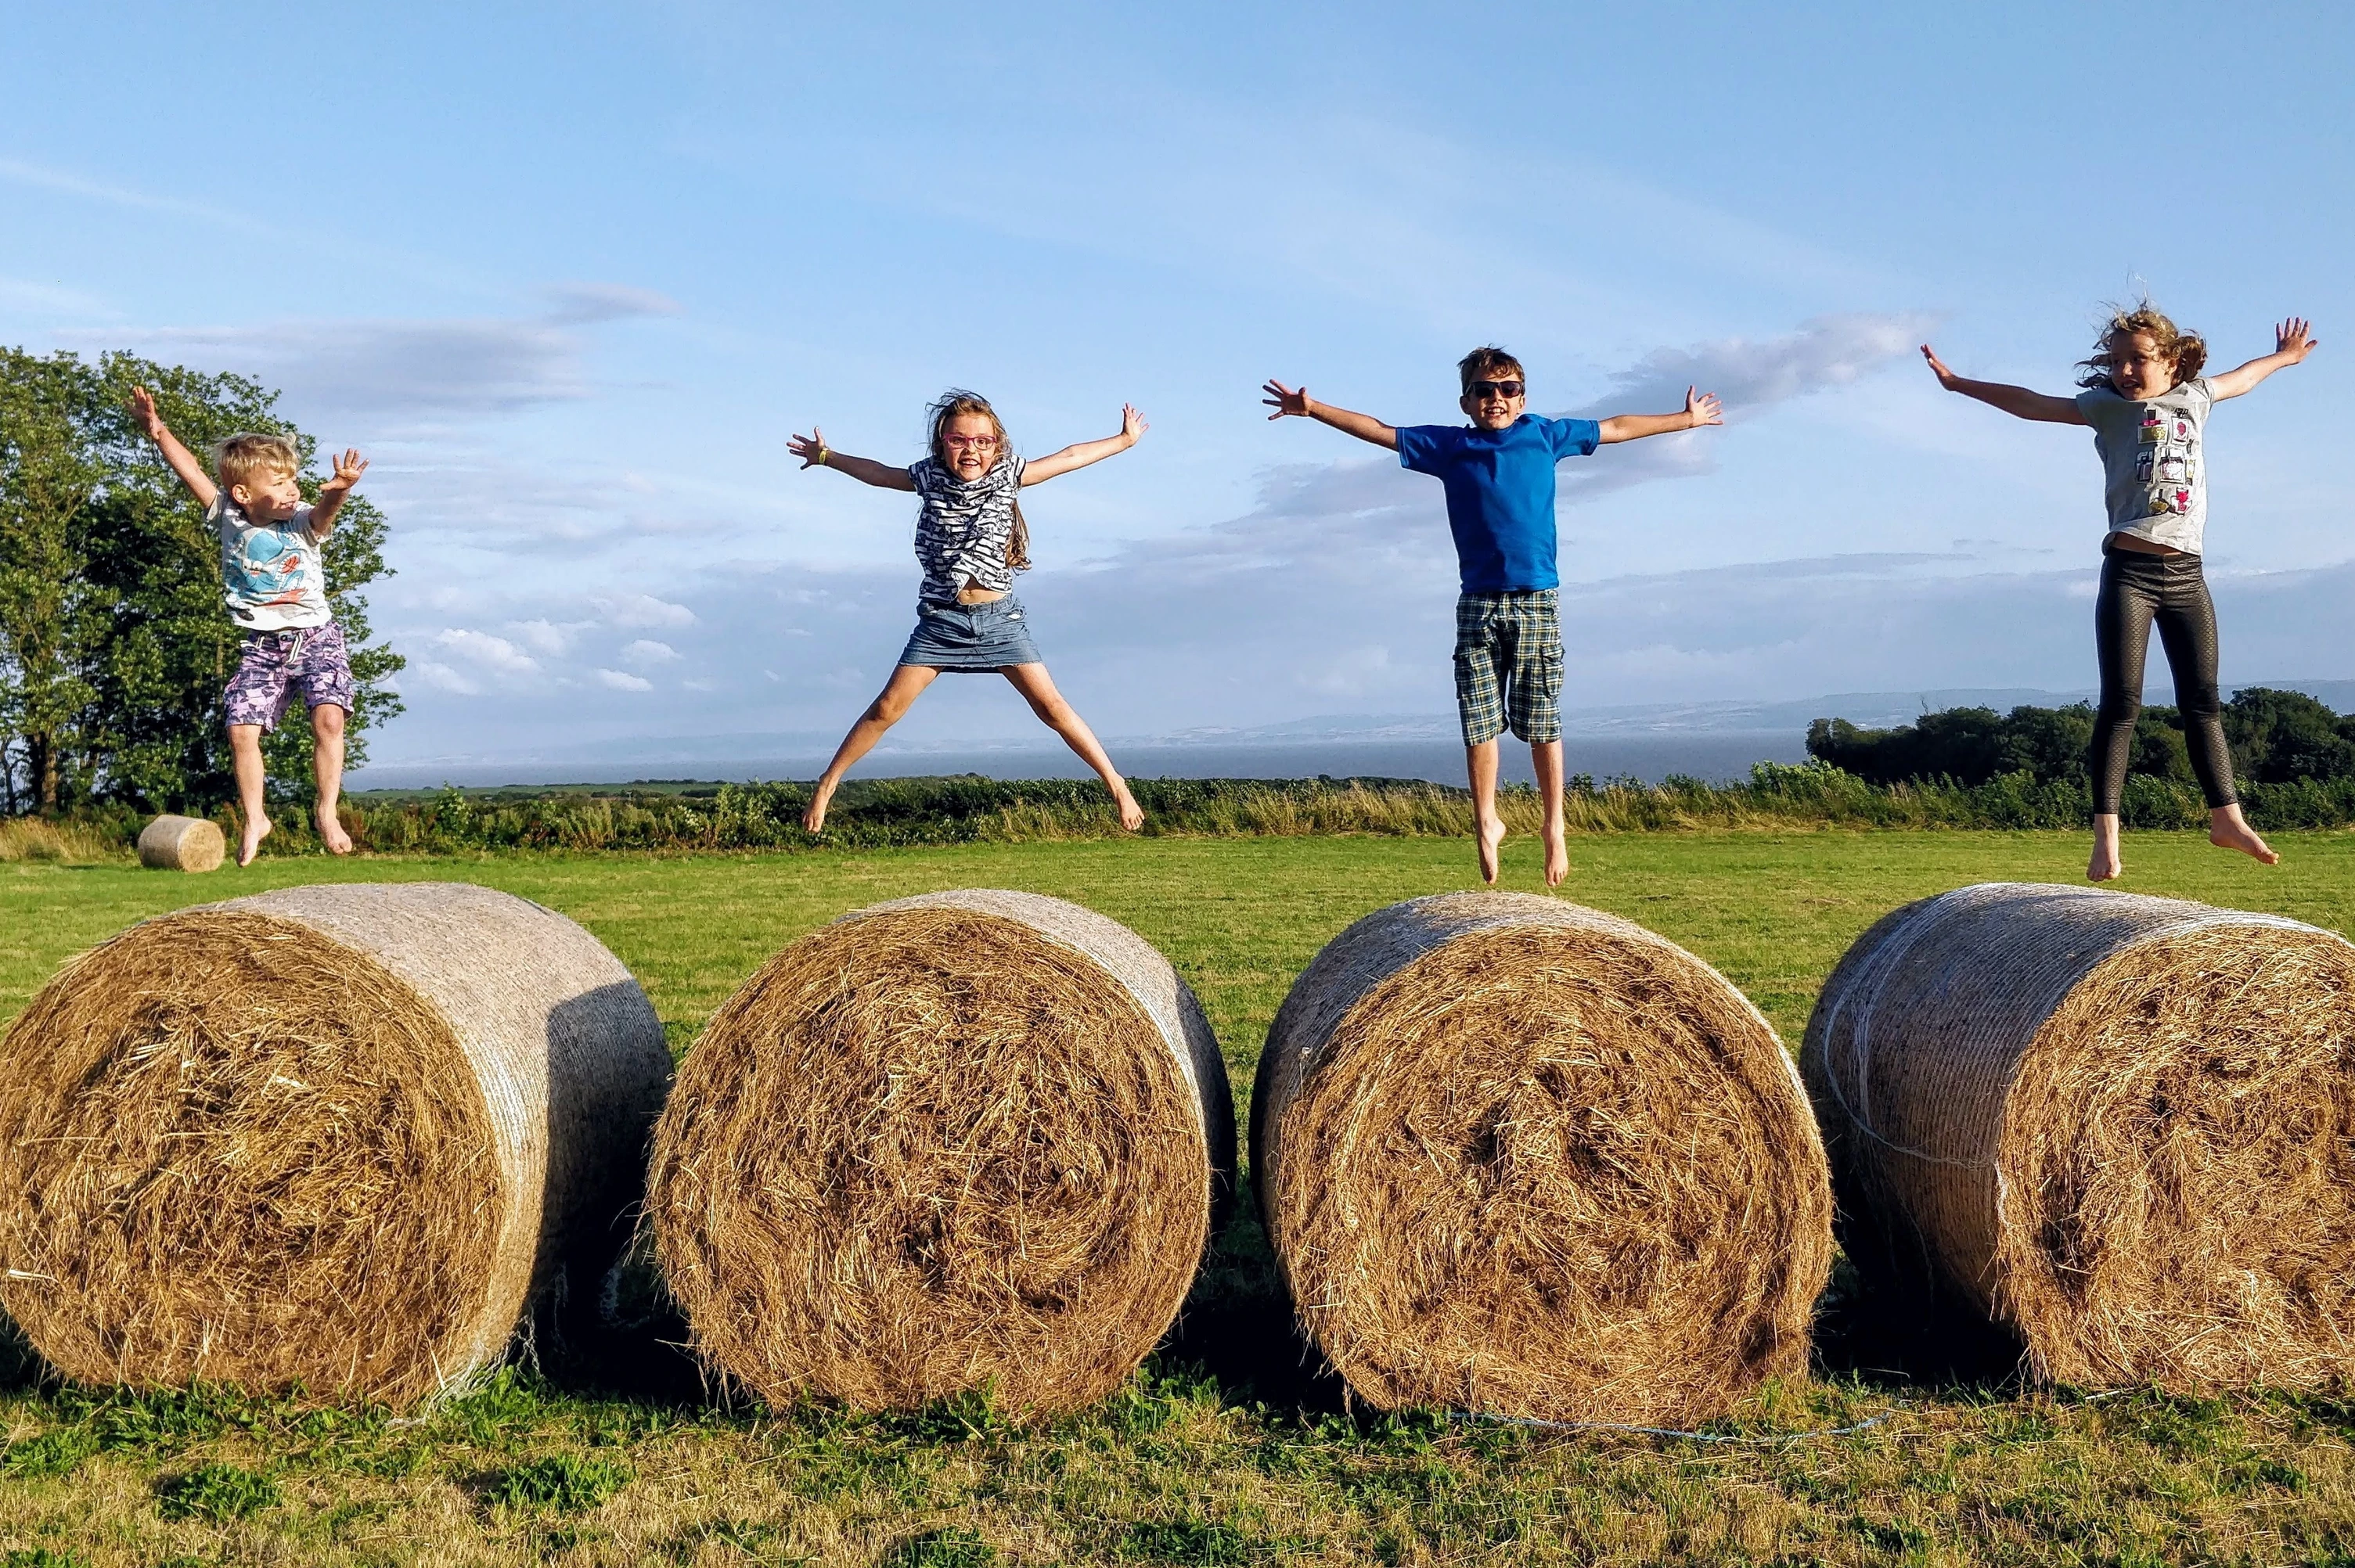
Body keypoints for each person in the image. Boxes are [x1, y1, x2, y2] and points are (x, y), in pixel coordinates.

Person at [1262, 347, 1722, 886]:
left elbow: (1617, 425)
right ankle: (1486, 821)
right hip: (1477, 603)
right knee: (1478, 721)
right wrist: (1312, 409)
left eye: (1505, 390)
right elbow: (1378, 429)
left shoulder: (1545, 435)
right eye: (1484, 390)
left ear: (1521, 398)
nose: (1495, 399)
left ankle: (1554, 827)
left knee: (1541, 723)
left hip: (1536, 600)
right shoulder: (1450, 446)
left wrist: (1685, 420)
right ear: (1466, 401)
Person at [1921, 305, 2318, 881]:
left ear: (2171, 360)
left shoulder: (2197, 397)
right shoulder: (2103, 408)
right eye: (2116, 360)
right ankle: (2106, 838)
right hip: (2129, 573)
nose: (2126, 370)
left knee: (2202, 702)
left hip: (2186, 576)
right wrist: (1958, 384)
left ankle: (2225, 818)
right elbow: (2031, 404)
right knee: (2121, 704)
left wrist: (2284, 358)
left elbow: (2247, 375)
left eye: (2138, 359)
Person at [787, 390, 1149, 834]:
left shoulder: (1009, 475)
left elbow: (1070, 456)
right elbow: (879, 474)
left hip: (1000, 620)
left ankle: (1116, 784)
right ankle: (827, 784)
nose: (971, 450)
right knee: (885, 709)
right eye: (959, 440)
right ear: (942, 442)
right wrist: (827, 456)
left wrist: (1124, 441)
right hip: (941, 621)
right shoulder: (928, 478)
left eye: (982, 441)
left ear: (997, 445)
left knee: (1052, 708)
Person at [128, 387, 369, 866]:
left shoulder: (302, 523)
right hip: (262, 646)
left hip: (317, 637)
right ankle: (256, 816)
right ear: (244, 494)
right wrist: (157, 431)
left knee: (329, 718)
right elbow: (192, 471)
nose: (293, 490)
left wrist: (339, 489)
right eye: (279, 484)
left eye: (294, 480)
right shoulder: (228, 517)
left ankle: (326, 811)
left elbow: (325, 512)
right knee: (241, 730)